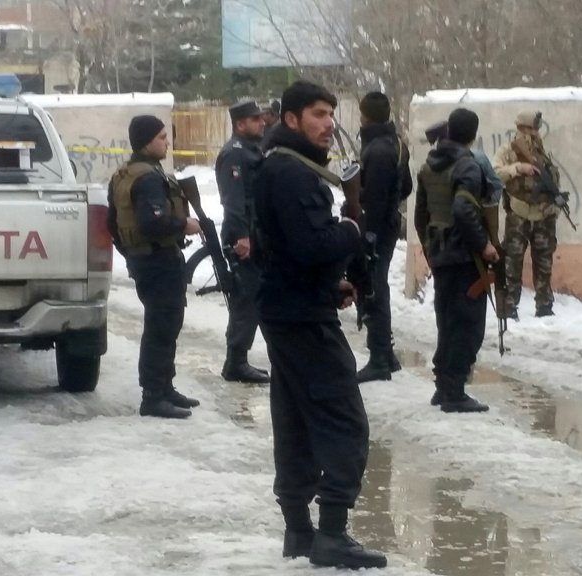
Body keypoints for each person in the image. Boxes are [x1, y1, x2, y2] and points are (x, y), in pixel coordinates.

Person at [252, 80, 387, 569]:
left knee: (295, 420)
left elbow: (288, 250)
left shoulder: (284, 167)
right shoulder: (290, 173)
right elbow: (310, 245)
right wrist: (352, 229)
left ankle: (298, 530)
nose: (329, 123)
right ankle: (331, 532)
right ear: (291, 119)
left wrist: (331, 287)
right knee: (345, 421)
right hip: (302, 318)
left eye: (330, 113)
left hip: (293, 306)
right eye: (317, 114)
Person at [107, 115, 202, 419]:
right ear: (147, 141)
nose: (167, 142)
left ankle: (164, 387)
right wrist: (183, 224)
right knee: (162, 327)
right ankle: (153, 395)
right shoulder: (147, 178)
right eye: (162, 137)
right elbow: (152, 222)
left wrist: (131, 254)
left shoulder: (124, 174)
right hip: (159, 260)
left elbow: (113, 223)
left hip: (147, 259)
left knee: (165, 324)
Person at [413, 108, 496, 413]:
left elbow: (420, 216)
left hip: (441, 254)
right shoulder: (468, 166)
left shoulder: (429, 166)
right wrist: (484, 245)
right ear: (473, 134)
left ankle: (444, 386)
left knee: (447, 322)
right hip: (465, 258)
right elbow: (463, 210)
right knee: (468, 324)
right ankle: (455, 391)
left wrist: (430, 250)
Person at [353, 92, 412, 383]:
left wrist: (368, 232)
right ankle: (386, 354)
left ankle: (379, 357)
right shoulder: (397, 144)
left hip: (375, 226)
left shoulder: (376, 150)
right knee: (378, 286)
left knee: (372, 288)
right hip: (388, 223)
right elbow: (407, 187)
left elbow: (373, 199)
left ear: (364, 115)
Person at [216, 101, 271, 383]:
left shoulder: (251, 150)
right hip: (244, 235)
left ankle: (238, 360)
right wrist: (241, 237)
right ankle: (235, 362)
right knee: (245, 298)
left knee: (253, 296)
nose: (262, 123)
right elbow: (233, 200)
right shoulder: (234, 155)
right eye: (255, 119)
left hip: (256, 234)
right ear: (240, 124)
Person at [493, 111, 559, 318]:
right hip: (519, 214)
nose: (534, 134)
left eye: (536, 130)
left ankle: (545, 306)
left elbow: (553, 181)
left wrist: (554, 204)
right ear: (521, 129)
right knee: (512, 262)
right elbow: (495, 173)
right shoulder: (508, 151)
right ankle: (510, 306)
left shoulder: (543, 152)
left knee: (544, 262)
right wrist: (518, 168)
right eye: (531, 129)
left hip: (542, 215)